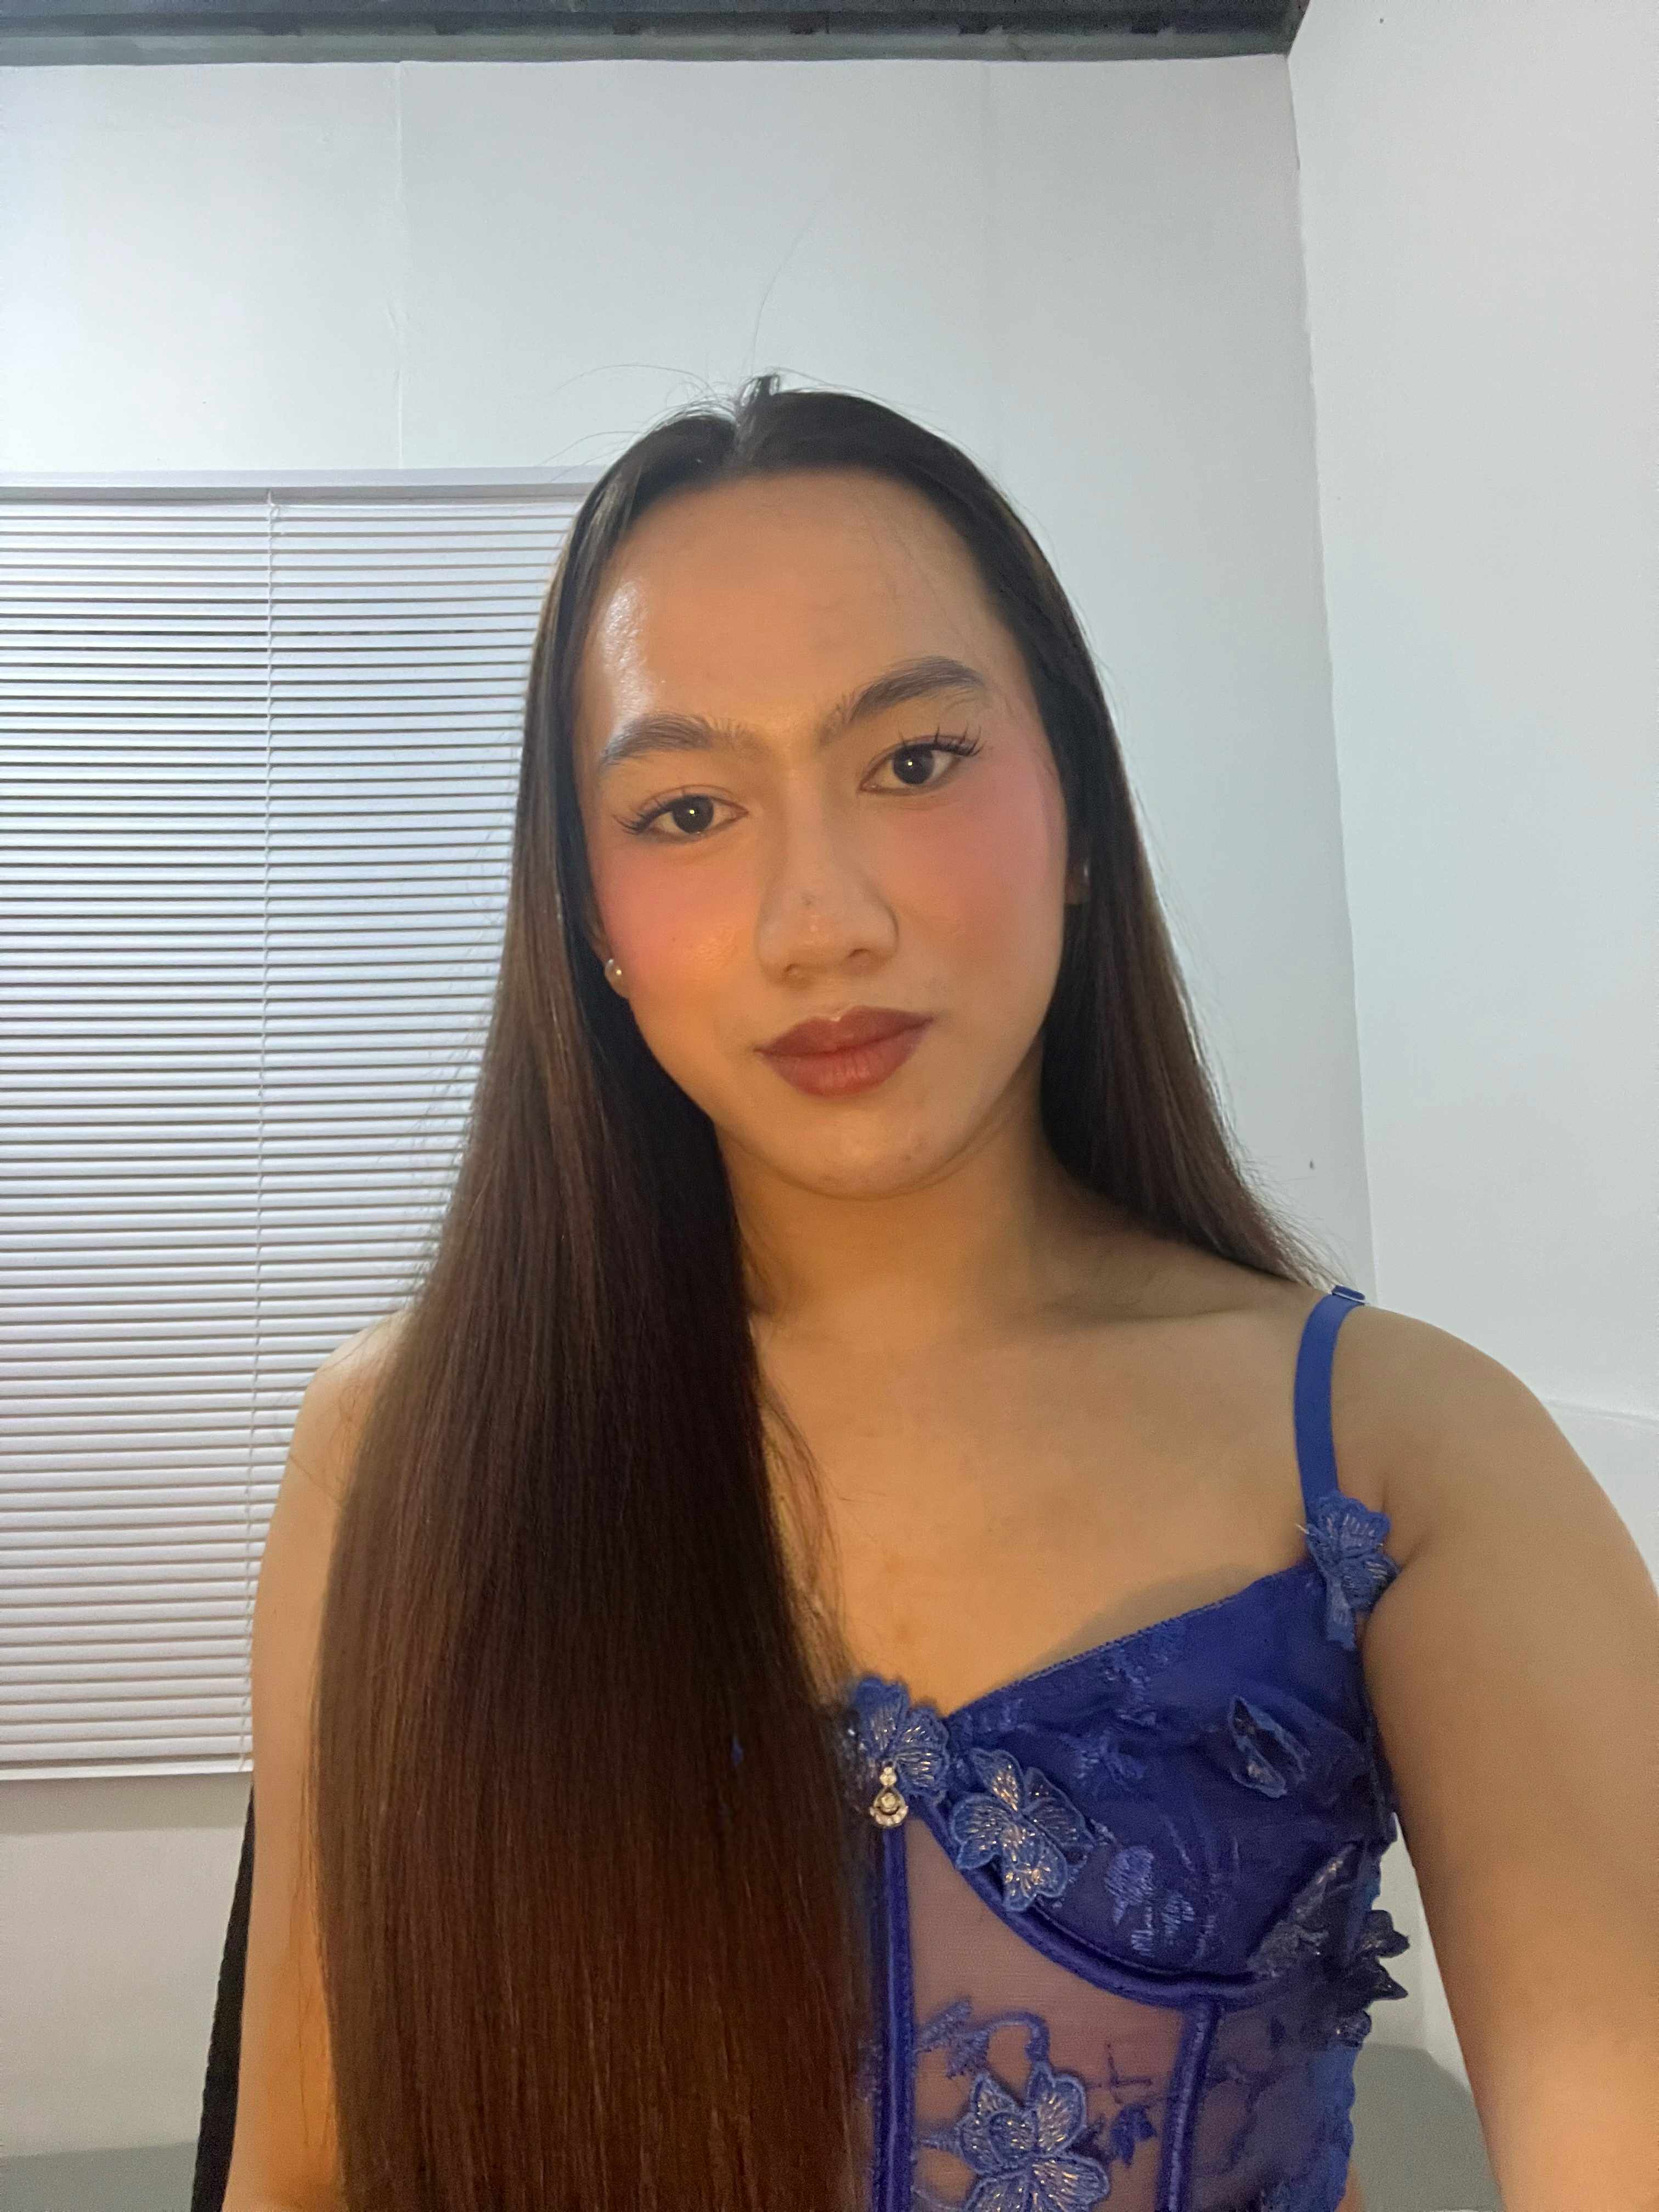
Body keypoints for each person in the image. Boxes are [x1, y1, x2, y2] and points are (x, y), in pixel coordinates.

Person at [215, 377, 1658, 2212]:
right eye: (685, 810)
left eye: (913, 763)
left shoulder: (1403, 1449)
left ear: (1079, 814)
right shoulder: (401, 1452)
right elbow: (301, 2171)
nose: (820, 920)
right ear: (588, 917)